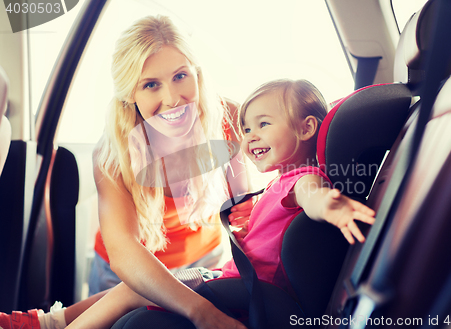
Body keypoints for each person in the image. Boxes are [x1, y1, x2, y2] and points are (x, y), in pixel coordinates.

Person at [0, 15, 251, 329]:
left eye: (180, 76)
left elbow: (244, 211)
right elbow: (125, 253)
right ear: (130, 94)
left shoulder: (228, 118)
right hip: (126, 274)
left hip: (204, 258)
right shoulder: (113, 153)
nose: (173, 98)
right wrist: (203, 311)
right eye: (150, 85)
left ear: (197, 74)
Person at [62, 79, 376, 329]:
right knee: (145, 289)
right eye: (247, 129)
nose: (250, 137)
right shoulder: (281, 182)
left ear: (307, 129)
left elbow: (312, 193)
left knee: (136, 289)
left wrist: (330, 206)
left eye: (263, 124)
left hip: (247, 291)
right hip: (235, 282)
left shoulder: (303, 178)